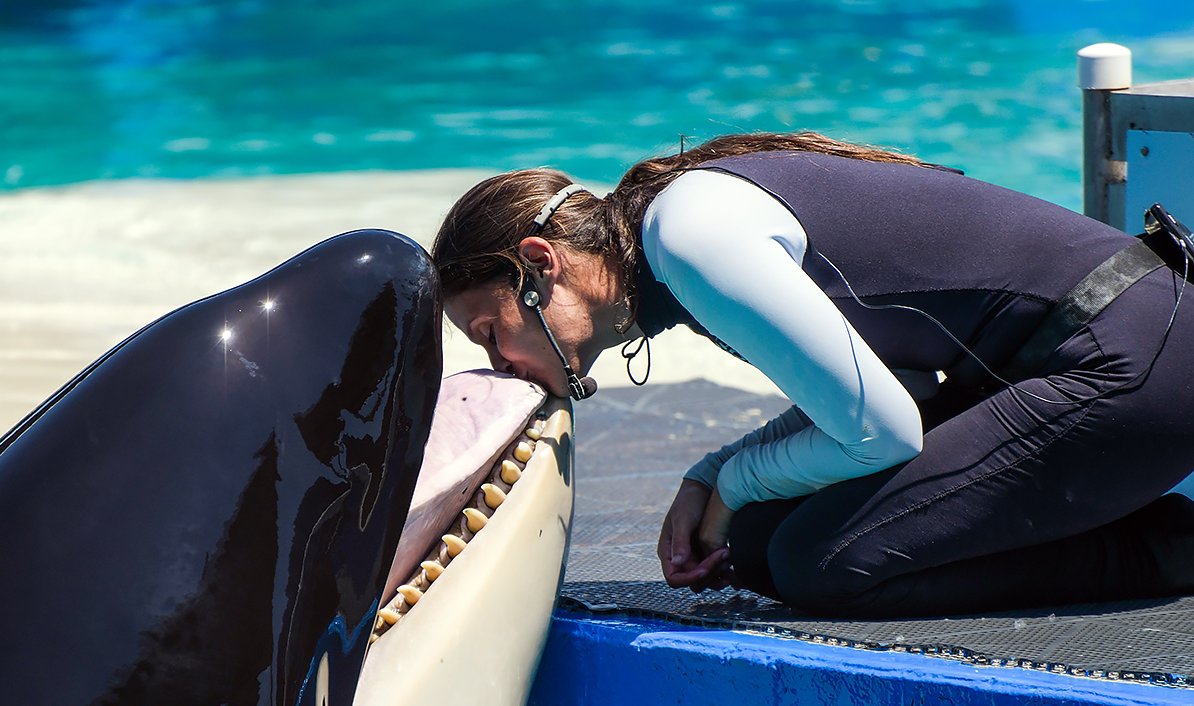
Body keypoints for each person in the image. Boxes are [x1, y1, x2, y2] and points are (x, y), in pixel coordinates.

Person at [432, 132, 1194, 618]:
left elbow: (885, 430)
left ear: (540, 263)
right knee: (758, 546)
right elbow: (899, 388)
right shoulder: (672, 238)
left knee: (824, 563)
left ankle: (1166, 548)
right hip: (1060, 364)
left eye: (491, 333)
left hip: (1135, 359)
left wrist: (733, 484)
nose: (499, 365)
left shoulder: (688, 238)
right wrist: (715, 473)